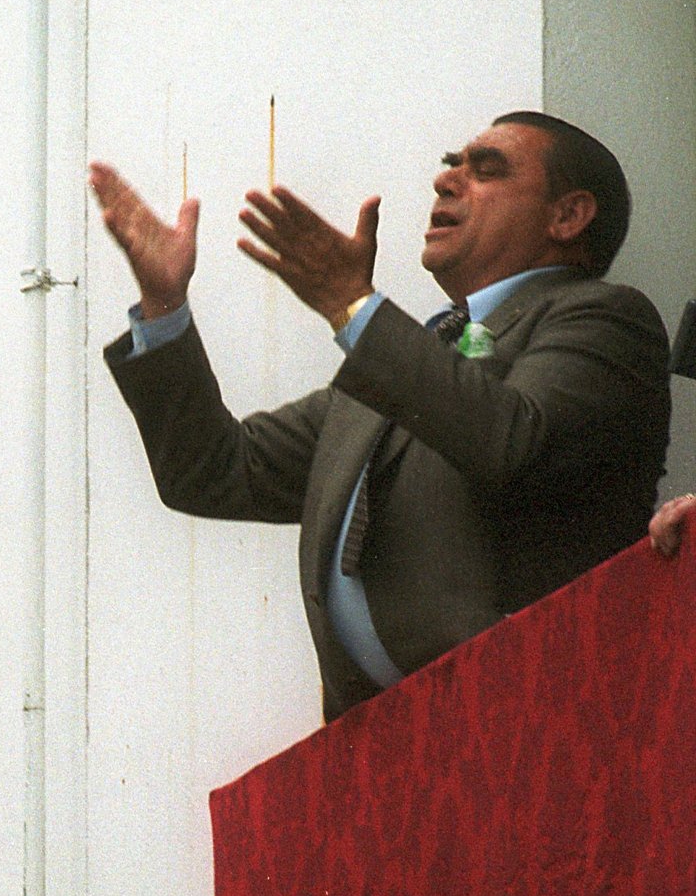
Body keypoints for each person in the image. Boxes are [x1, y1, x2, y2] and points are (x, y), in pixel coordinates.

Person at [94, 111, 671, 721]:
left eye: (486, 170)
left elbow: (513, 439)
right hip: (385, 745)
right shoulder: (401, 358)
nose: (446, 181)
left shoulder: (603, 318)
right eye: (451, 165)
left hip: (529, 717)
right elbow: (213, 470)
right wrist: (164, 307)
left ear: (568, 216)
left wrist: (353, 306)